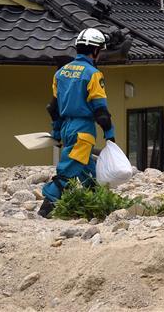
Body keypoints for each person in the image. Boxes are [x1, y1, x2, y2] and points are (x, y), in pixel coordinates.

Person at [38, 28, 115, 218]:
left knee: (88, 169)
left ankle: (99, 204)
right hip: (83, 131)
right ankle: (46, 207)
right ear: (95, 50)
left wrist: (56, 132)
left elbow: (53, 108)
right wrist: (110, 135)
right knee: (67, 171)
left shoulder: (61, 72)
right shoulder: (93, 74)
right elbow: (101, 112)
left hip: (66, 128)